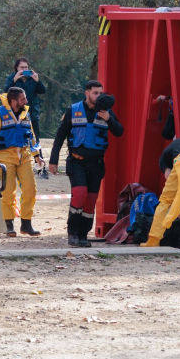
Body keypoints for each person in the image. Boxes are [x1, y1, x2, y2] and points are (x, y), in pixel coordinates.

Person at [49, 80, 124, 247]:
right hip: (77, 162)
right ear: (87, 93)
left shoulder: (106, 112)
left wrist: (109, 119)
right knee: (80, 193)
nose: (98, 96)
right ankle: (73, 232)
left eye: (100, 93)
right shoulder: (73, 110)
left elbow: (119, 131)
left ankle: (83, 234)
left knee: (91, 200)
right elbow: (60, 135)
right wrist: (53, 160)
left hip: (96, 164)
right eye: (95, 93)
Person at [0, 86, 42, 236]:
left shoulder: (25, 114)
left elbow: (31, 136)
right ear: (13, 101)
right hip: (5, 158)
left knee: (30, 190)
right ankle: (9, 225)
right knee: (8, 193)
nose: (26, 101)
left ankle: (26, 224)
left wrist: (36, 155)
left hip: (25, 157)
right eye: (23, 99)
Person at [5, 59, 48, 177]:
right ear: (16, 68)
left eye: (26, 67)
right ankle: (14, 168)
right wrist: (14, 79)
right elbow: (5, 91)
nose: (24, 70)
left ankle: (41, 169)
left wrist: (37, 81)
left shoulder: (32, 79)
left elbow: (43, 90)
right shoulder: (12, 78)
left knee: (35, 140)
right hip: (16, 116)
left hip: (32, 113)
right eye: (22, 68)